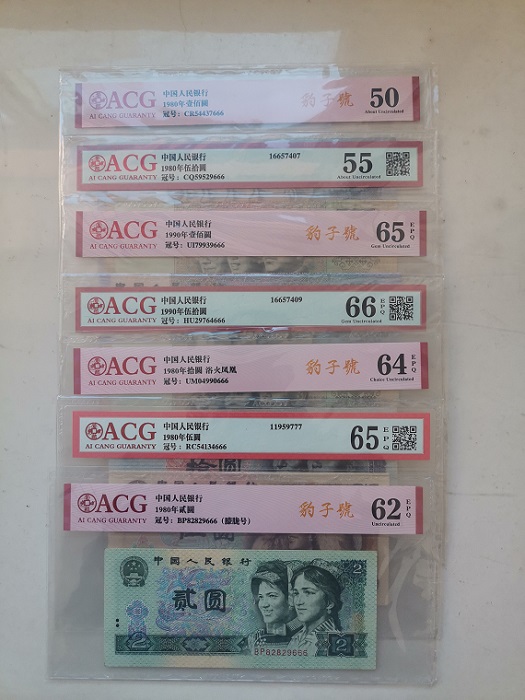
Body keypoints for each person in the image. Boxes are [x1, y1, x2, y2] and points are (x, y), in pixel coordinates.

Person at [288, 562, 343, 655]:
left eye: (308, 593)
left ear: (329, 602)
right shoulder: (297, 637)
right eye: (296, 593)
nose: (298, 602)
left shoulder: (333, 643)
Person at [245, 560, 300, 652]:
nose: (264, 605)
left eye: (272, 596)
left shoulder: (310, 637)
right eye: (261, 597)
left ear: (290, 598)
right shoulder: (253, 640)